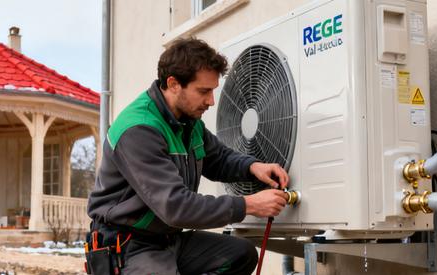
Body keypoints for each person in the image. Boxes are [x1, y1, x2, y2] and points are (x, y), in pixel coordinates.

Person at [86, 37, 291, 274]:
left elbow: (218, 159)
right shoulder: (139, 129)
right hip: (127, 244)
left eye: (212, 91)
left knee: (241, 255)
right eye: (203, 91)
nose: (211, 101)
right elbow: (176, 206)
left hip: (167, 238)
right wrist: (248, 205)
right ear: (173, 84)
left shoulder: (188, 122)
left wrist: (253, 166)